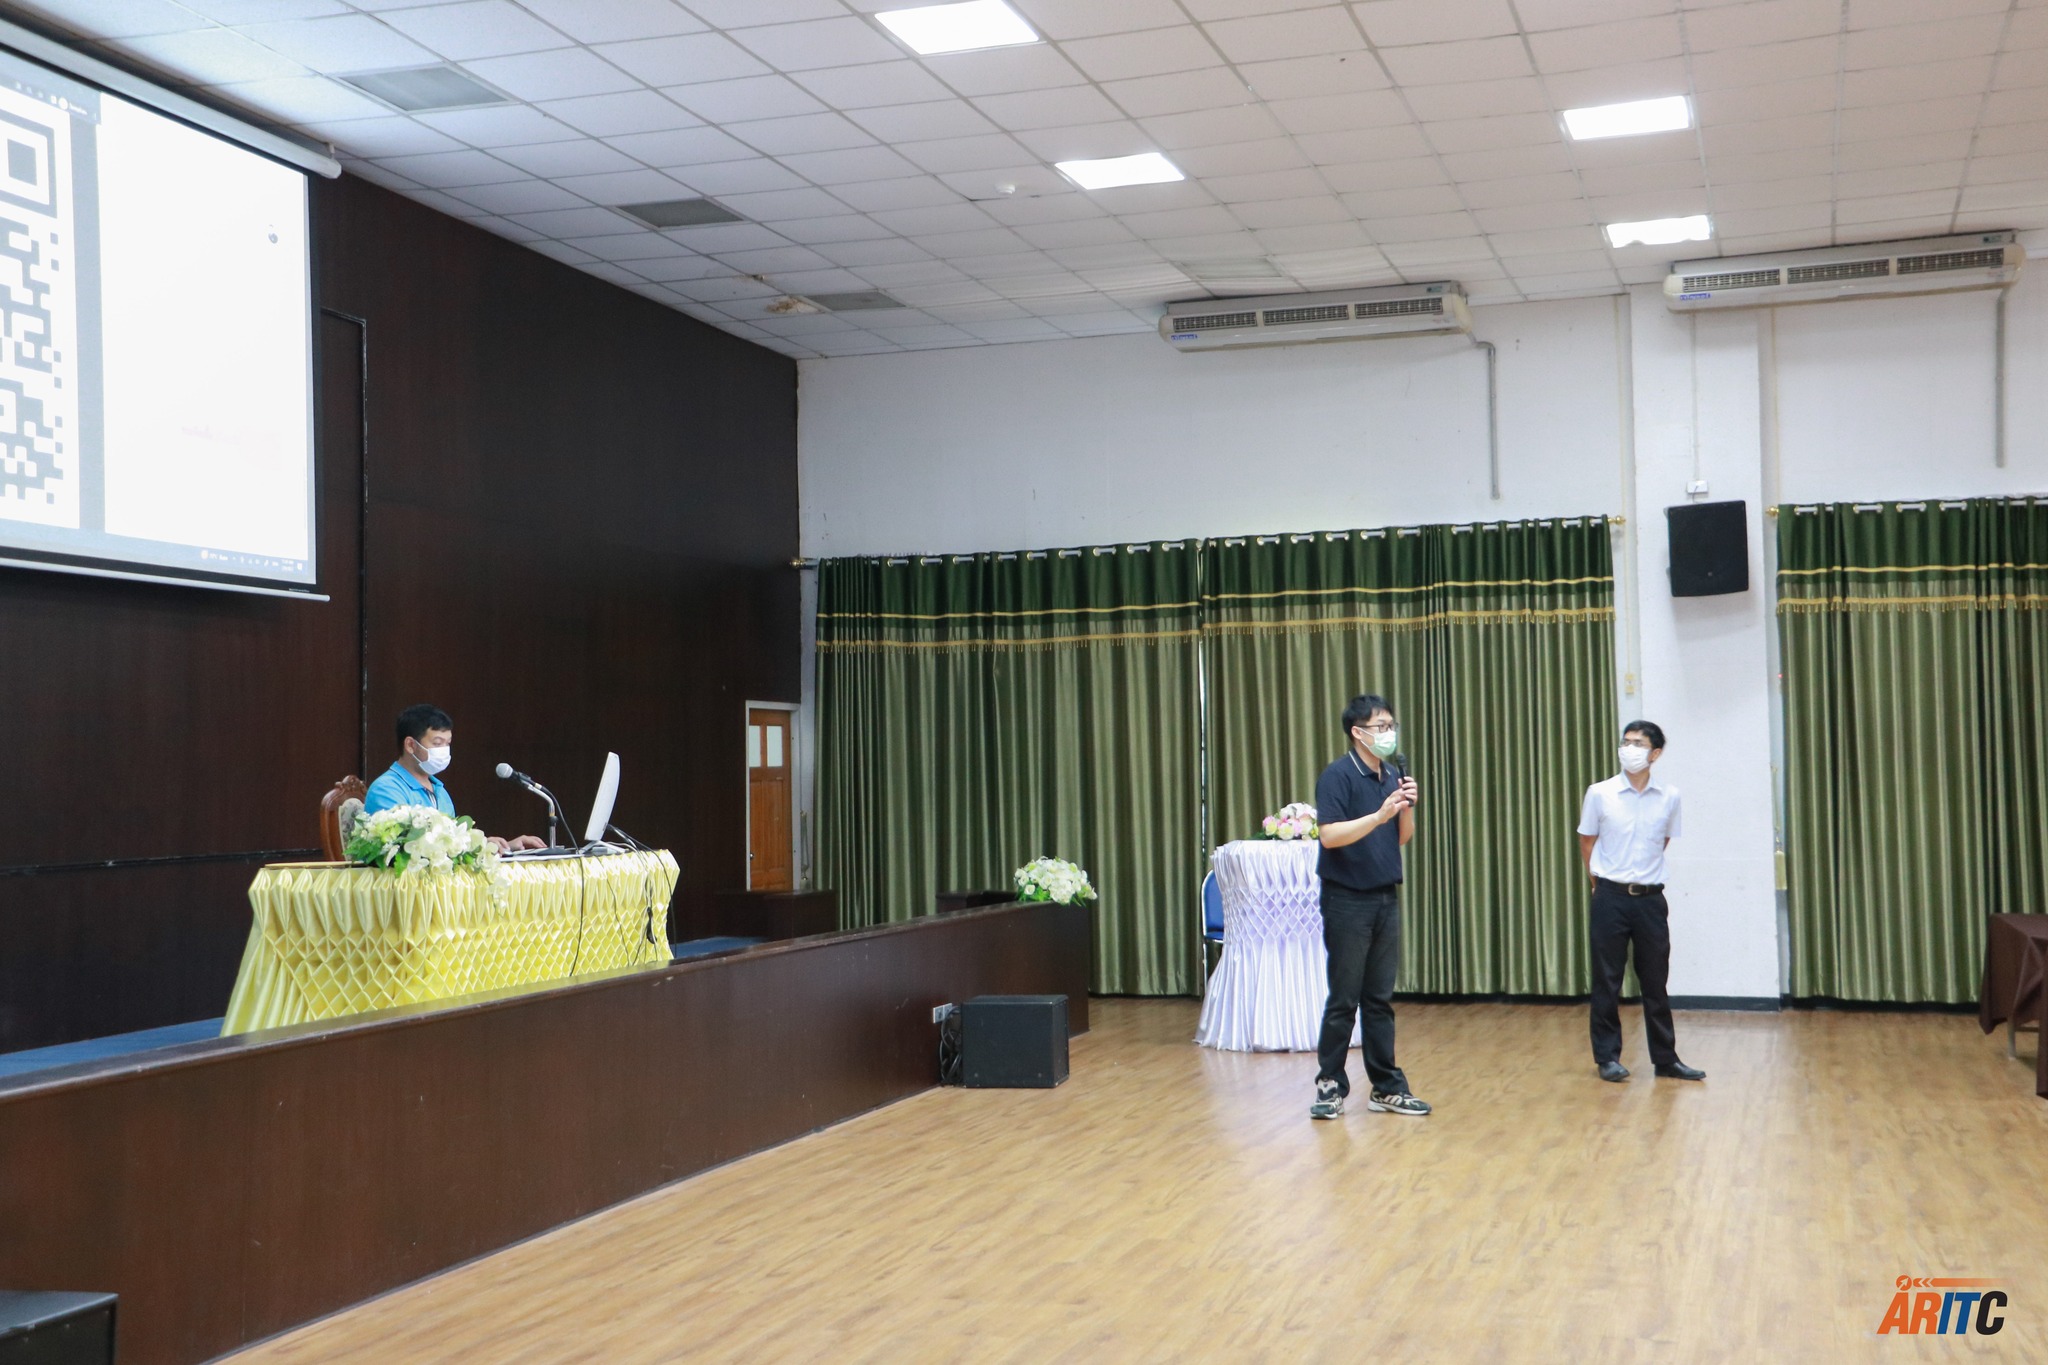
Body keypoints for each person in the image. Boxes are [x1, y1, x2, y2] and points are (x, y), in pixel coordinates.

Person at [1308, 694, 1430, 1120]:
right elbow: (1329, 836)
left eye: (1391, 725)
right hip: (1346, 900)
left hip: (1384, 897)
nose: (1389, 733)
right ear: (1358, 732)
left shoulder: (1392, 774)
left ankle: (1387, 1087)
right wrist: (1378, 816)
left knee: (1379, 999)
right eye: (1381, 726)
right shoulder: (1337, 776)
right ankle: (1330, 1086)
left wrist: (1407, 807)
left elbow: (1401, 837)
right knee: (1345, 998)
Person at [1576, 720, 1705, 1083]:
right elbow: (1587, 841)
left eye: (1638, 743)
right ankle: (1607, 1058)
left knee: (1655, 981)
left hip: (1650, 899)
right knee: (1607, 980)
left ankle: (1666, 1059)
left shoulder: (1670, 796)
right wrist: (1598, 882)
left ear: (1655, 753)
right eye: (1626, 742)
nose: (1629, 749)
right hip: (1610, 896)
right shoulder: (1599, 793)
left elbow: (1663, 840)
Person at [363, 703, 545, 854]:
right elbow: (407, 850)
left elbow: (454, 846)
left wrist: (501, 847)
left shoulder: (439, 790)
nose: (444, 750)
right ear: (411, 745)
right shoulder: (386, 789)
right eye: (437, 743)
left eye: (447, 743)